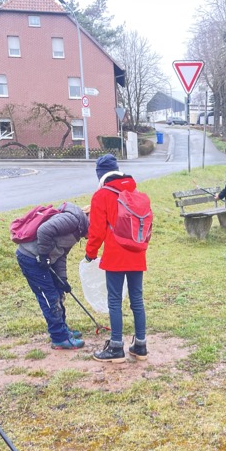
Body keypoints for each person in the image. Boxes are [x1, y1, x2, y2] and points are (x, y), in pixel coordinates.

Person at [85, 154, 148, 363]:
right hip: (137, 253)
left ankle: (116, 347)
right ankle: (140, 345)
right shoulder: (134, 191)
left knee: (114, 301)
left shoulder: (101, 195)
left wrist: (90, 254)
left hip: (115, 255)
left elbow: (96, 231)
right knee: (137, 300)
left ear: (100, 175)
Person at [15, 203, 90, 350]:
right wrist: (43, 254)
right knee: (50, 297)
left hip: (43, 259)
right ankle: (59, 338)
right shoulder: (73, 220)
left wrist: (63, 279)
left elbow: (61, 253)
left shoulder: (79, 229)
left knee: (58, 292)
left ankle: (63, 330)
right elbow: (44, 230)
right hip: (31, 258)